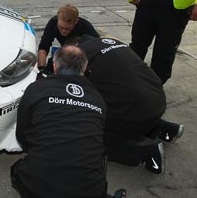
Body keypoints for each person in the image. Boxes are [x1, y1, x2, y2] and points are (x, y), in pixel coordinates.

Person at [74, 35, 184, 174]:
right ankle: (166, 129)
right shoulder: (113, 42)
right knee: (127, 100)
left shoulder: (81, 55)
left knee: (92, 139)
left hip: (136, 112)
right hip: (157, 98)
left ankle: (145, 154)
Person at [12, 45, 109, 198]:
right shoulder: (98, 97)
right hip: (91, 190)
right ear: (85, 68)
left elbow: (22, 135)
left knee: (17, 169)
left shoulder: (36, 88)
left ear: (55, 66)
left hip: (38, 186)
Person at [37, 4, 99, 77]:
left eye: (67, 29)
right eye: (60, 27)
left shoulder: (86, 28)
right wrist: (41, 69)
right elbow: (43, 47)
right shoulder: (53, 23)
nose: (63, 31)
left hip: (82, 55)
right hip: (65, 51)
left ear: (76, 22)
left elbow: (97, 49)